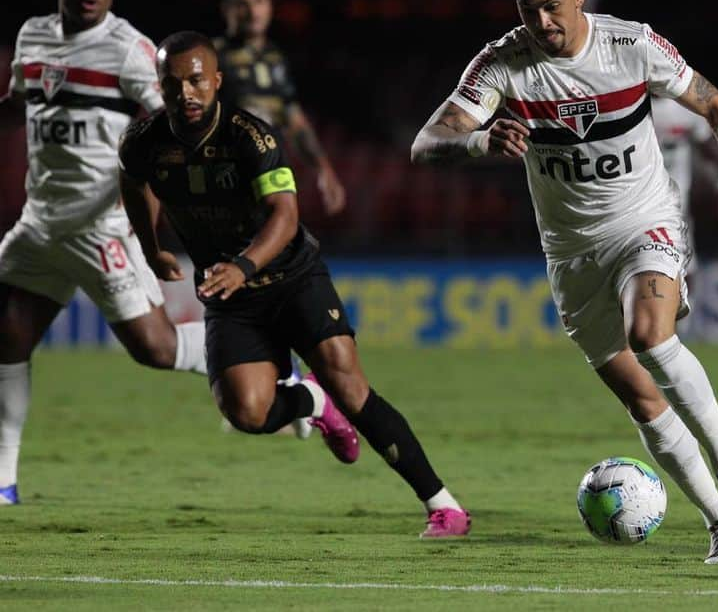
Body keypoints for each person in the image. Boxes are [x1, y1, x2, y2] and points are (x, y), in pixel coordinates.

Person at [412, 0, 718, 564]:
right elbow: (426, 143)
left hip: (645, 222)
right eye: (529, 11)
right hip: (571, 256)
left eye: (552, 6)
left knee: (650, 332)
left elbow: (716, 103)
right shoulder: (503, 63)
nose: (542, 23)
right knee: (640, 395)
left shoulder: (630, 45)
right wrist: (477, 142)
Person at [118, 31, 469, 538]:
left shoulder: (250, 137)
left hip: (291, 276)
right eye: (173, 85)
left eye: (196, 81)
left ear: (216, 81)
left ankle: (443, 505)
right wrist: (151, 248)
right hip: (229, 293)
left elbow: (285, 216)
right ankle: (310, 402)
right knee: (245, 411)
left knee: (350, 384)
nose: (186, 94)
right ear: (160, 86)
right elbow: (134, 180)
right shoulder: (145, 142)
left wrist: (242, 264)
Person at [0, 0, 209, 507]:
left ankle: (263, 357)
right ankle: (2, 482)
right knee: (8, 337)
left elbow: (176, 130)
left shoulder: (129, 50)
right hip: (39, 222)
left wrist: (152, 218)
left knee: (155, 350)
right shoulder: (32, 36)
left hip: (102, 227)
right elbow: (24, 101)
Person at [215, 0, 345, 216]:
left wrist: (324, 170)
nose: (253, 11)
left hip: (270, 174)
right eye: (242, 4)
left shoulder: (276, 59)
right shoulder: (212, 56)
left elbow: (293, 120)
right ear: (227, 9)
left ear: (270, 6)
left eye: (259, 1)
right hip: (226, 179)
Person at [652, 96, 718, 295]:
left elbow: (709, 147)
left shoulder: (685, 107)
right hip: (639, 202)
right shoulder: (632, 104)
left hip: (676, 205)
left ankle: (682, 324)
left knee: (686, 269)